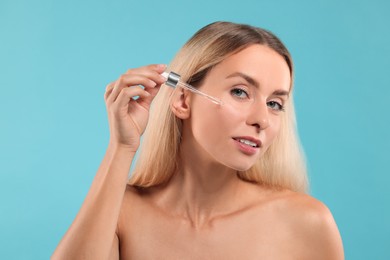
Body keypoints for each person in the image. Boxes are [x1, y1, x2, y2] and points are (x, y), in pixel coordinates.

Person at [52, 21, 344, 259]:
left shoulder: (307, 223)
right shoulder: (120, 212)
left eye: (275, 104)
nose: (262, 119)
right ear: (182, 99)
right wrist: (122, 146)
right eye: (240, 92)